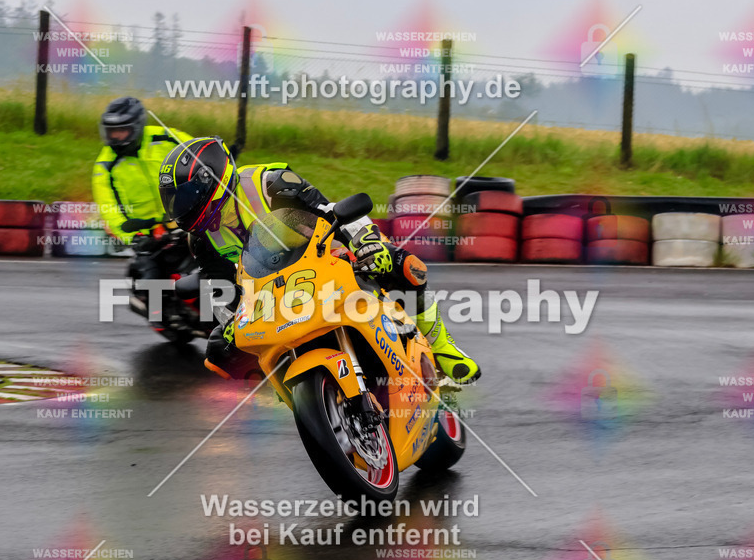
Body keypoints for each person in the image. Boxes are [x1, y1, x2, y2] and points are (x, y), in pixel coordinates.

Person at [157, 136, 481, 385]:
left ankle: (442, 345)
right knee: (224, 355)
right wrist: (228, 326)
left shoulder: (267, 182)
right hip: (278, 294)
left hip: (330, 252)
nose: (179, 210)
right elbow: (224, 291)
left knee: (402, 266)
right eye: (173, 202)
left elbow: (330, 211)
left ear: (208, 183)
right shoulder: (200, 240)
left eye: (183, 199)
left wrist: (365, 243)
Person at [92, 96, 192, 244]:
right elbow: (109, 209)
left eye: (122, 130)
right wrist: (133, 238)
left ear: (137, 127)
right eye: (112, 131)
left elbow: (202, 152)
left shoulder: (166, 137)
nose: (116, 137)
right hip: (147, 237)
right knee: (142, 267)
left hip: (189, 221)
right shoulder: (104, 165)